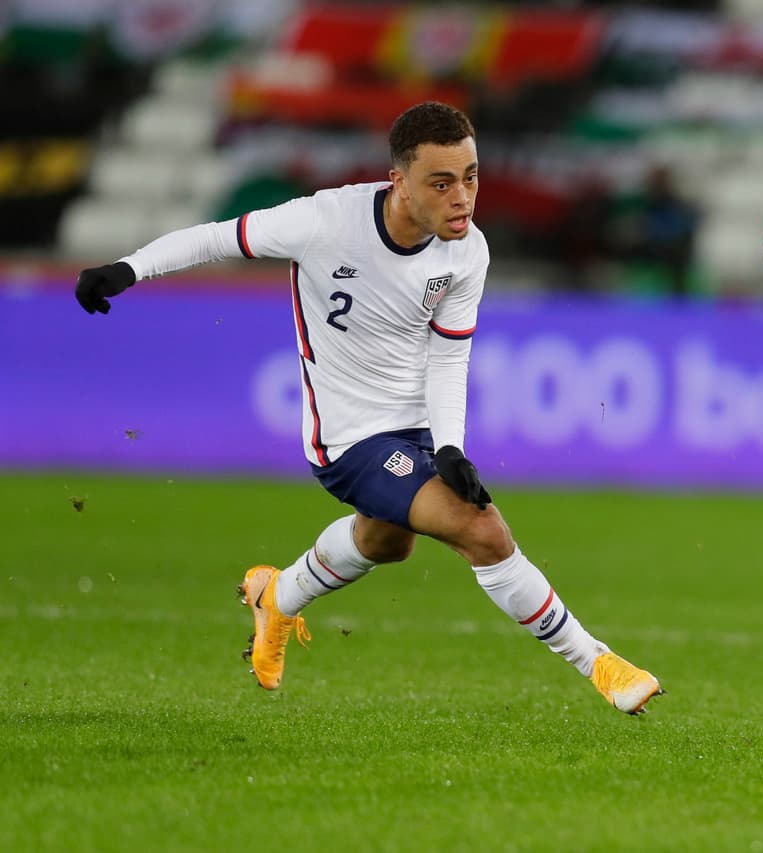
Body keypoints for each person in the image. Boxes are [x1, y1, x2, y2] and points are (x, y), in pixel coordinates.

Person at [74, 101, 662, 715]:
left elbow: (448, 357)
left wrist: (451, 445)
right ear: (399, 183)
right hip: (351, 438)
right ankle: (598, 663)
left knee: (386, 544)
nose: (463, 197)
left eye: (471, 176)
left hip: (415, 429)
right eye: (442, 182)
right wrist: (128, 268)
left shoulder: (468, 250)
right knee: (480, 529)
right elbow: (219, 237)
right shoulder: (326, 220)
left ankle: (276, 597)